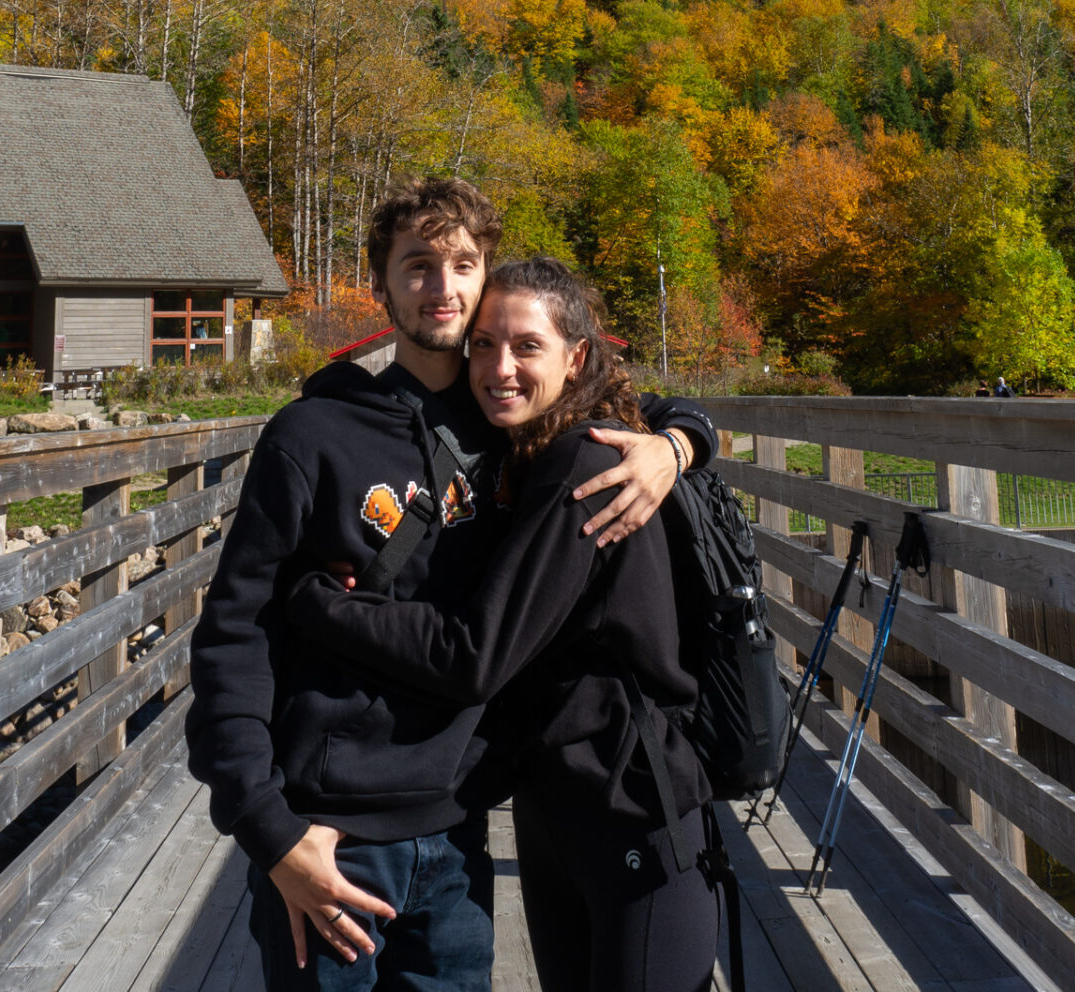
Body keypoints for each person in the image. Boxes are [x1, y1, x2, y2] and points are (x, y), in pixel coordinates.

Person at [186, 179, 713, 992]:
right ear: (381, 283)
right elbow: (232, 637)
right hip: (332, 835)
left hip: (459, 832)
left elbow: (616, 396)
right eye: (418, 264)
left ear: (484, 279)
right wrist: (268, 832)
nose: (442, 286)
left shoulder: (513, 428)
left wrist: (676, 446)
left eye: (462, 264)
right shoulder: (311, 434)